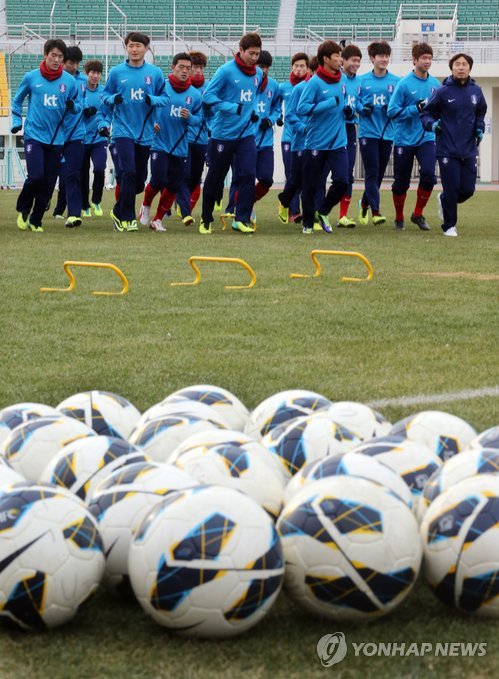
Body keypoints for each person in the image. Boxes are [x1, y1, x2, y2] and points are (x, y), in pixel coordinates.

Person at [101, 31, 169, 232]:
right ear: (126, 48)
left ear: (146, 49)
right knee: (128, 171)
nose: (134, 49)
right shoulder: (116, 72)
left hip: (145, 134)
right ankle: (128, 218)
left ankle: (117, 210)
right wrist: (114, 99)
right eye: (131, 45)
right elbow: (105, 96)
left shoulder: (155, 73)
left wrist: (152, 100)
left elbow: (164, 99)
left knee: (138, 181)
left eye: (139, 46)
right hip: (122, 131)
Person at [11, 39, 81, 232]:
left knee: (49, 183)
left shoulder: (70, 82)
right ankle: (23, 209)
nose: (57, 59)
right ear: (45, 55)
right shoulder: (31, 77)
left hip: (57, 139)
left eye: (60, 56)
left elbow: (78, 106)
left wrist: (73, 106)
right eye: (53, 55)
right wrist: (17, 122)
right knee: (36, 176)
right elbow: (16, 101)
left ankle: (36, 220)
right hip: (34, 135)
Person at [200, 32, 263, 235]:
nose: (254, 58)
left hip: (246, 134)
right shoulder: (226, 71)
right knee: (215, 178)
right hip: (222, 135)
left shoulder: (258, 74)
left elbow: (252, 98)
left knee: (248, 174)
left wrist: (253, 113)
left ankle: (241, 218)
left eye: (257, 54)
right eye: (251, 53)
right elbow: (208, 96)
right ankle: (206, 218)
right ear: (241, 50)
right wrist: (229, 107)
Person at [420, 53, 487, 237]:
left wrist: (480, 128)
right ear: (452, 68)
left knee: (467, 190)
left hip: (469, 148)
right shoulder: (442, 91)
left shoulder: (477, 91)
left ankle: (443, 200)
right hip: (447, 149)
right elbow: (426, 113)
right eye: (457, 64)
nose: (461, 67)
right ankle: (449, 226)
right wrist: (432, 125)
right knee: (451, 187)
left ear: (469, 68)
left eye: (464, 64)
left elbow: (480, 113)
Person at [138, 53, 202, 232]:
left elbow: (199, 119)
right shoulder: (162, 87)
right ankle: (145, 205)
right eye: (181, 67)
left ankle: (157, 219)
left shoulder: (195, 95)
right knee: (158, 180)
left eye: (188, 69)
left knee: (173, 185)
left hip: (180, 147)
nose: (184, 71)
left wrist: (190, 117)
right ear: (172, 68)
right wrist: (153, 124)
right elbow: (145, 108)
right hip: (159, 143)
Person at [224, 50, 282, 228]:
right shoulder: (245, 83)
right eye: (260, 66)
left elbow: (277, 109)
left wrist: (270, 120)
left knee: (266, 179)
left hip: (264, 141)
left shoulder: (274, 86)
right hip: (242, 138)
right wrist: (251, 115)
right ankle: (237, 211)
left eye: (266, 67)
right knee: (240, 178)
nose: (263, 70)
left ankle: (247, 204)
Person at [296, 40, 349, 235]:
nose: (340, 59)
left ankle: (324, 210)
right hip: (316, 142)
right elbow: (301, 109)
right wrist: (327, 104)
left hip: (338, 141)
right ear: (326, 59)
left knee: (343, 181)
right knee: (310, 184)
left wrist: (348, 112)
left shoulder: (342, 78)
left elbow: (341, 105)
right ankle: (308, 222)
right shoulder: (315, 82)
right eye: (337, 56)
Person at [387, 43, 440, 231]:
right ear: (414, 60)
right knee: (401, 182)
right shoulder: (404, 84)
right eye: (423, 58)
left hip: (426, 138)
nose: (427, 61)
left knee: (428, 175)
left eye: (429, 58)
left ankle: (417, 214)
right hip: (404, 139)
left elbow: (438, 110)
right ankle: (399, 217)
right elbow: (391, 111)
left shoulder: (435, 84)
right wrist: (414, 109)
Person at [357, 41, 400, 225]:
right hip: (367, 132)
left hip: (387, 133)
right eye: (380, 56)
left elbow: (399, 104)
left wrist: (391, 108)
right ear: (372, 58)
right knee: (372, 172)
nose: (384, 59)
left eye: (386, 56)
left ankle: (365, 202)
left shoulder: (397, 82)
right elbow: (354, 101)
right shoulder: (362, 80)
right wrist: (362, 108)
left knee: (380, 173)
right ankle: (376, 211)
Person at [277, 56, 318, 227]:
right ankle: (293, 210)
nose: (299, 69)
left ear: (308, 69)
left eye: (302, 66)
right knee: (293, 177)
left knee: (310, 179)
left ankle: (311, 214)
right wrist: (277, 116)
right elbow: (281, 109)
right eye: (296, 66)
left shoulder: (317, 88)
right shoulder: (286, 88)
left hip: (314, 141)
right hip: (291, 138)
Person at [172, 51, 210, 227]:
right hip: (183, 138)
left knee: (195, 179)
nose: (197, 71)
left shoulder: (209, 88)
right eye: (195, 67)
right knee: (183, 175)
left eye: (201, 67)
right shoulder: (181, 88)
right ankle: (186, 212)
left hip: (202, 139)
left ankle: (178, 200)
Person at [51, 45, 87, 228]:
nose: (73, 66)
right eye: (70, 62)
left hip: (76, 135)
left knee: (73, 174)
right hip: (53, 135)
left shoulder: (83, 81)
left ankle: (74, 214)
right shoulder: (52, 80)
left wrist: (77, 107)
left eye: (76, 63)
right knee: (48, 174)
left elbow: (81, 105)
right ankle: (43, 203)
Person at [81, 60, 110, 218]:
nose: (95, 76)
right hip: (81, 139)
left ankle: (96, 201)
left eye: (98, 73)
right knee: (82, 173)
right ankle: (84, 205)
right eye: (92, 72)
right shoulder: (80, 90)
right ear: (87, 73)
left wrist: (105, 125)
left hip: (99, 139)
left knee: (99, 169)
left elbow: (107, 113)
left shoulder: (104, 92)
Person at [337, 44, 362, 228]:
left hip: (350, 129)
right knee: (323, 172)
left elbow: (357, 102)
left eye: (359, 61)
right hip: (333, 129)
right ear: (343, 60)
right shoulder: (336, 78)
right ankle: (315, 212)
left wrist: (362, 109)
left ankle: (343, 215)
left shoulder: (358, 82)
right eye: (353, 60)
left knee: (348, 174)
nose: (356, 64)